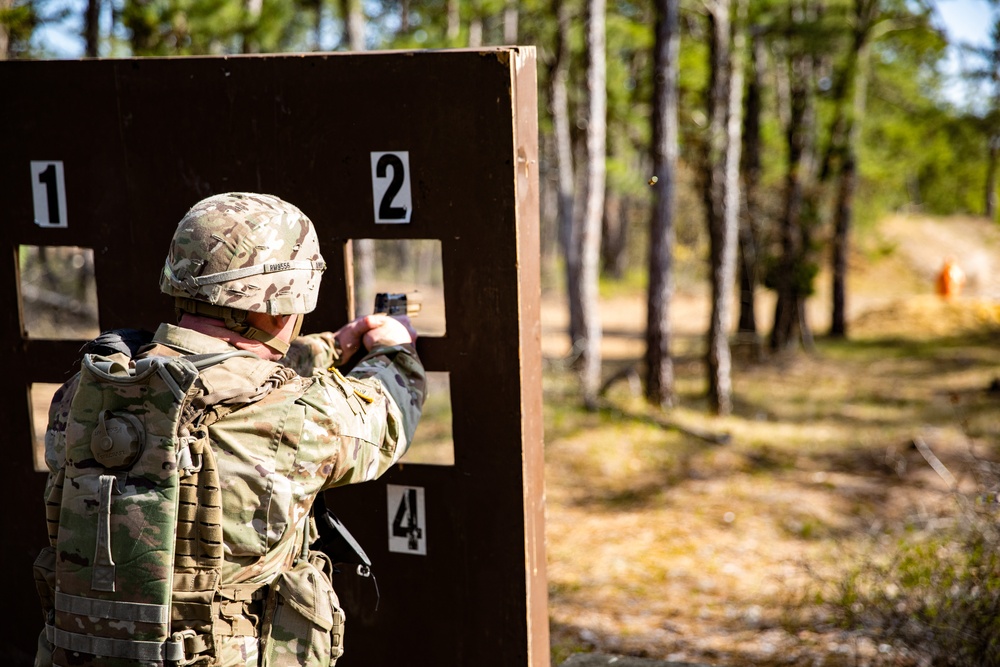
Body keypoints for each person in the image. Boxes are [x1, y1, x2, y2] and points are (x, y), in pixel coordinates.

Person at [33, 192, 425, 667]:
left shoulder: (86, 390)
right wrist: (395, 349)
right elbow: (384, 417)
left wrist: (326, 348)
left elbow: (210, 375)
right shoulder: (300, 416)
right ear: (285, 303)